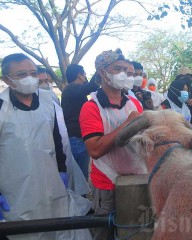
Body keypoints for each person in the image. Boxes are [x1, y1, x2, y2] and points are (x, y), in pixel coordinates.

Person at [0, 53, 91, 239]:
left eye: (33, 73)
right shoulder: (2, 107)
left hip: (52, 182)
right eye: (21, 74)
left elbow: (57, 140)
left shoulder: (47, 100)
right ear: (6, 80)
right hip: (16, 190)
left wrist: (62, 170)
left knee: (61, 227)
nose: (29, 78)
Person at [79, 49, 146, 239]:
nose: (124, 74)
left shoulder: (134, 104)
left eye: (126, 70)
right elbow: (95, 149)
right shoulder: (91, 107)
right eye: (118, 69)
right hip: (108, 183)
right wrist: (127, 124)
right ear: (102, 72)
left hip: (137, 177)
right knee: (105, 230)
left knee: (136, 228)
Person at [62, 64, 99, 180]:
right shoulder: (72, 88)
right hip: (76, 139)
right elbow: (91, 87)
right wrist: (101, 67)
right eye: (84, 74)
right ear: (80, 75)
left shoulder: (72, 90)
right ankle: (79, 198)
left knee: (79, 176)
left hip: (77, 138)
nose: (85, 77)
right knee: (79, 177)